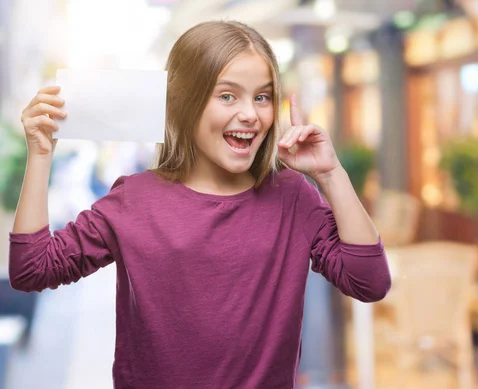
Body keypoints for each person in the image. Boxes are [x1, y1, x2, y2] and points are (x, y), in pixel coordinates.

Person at [9, 21, 391, 389]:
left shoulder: (292, 196)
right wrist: (40, 156)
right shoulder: (135, 199)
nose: (250, 114)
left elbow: (369, 282)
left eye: (262, 96)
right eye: (227, 95)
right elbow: (32, 270)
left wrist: (330, 174)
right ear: (186, 104)